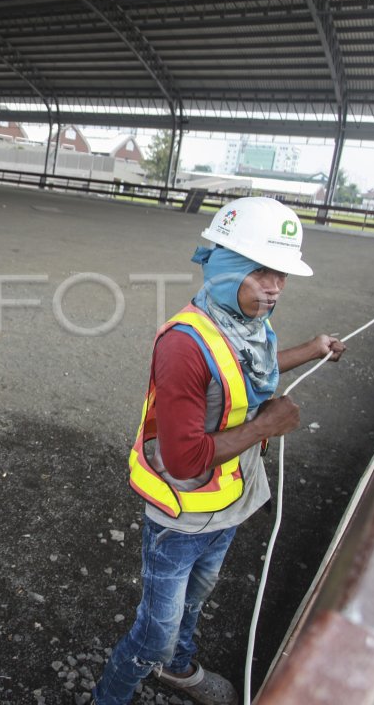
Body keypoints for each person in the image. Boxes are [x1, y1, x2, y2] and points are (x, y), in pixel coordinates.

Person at [93, 197, 347, 705]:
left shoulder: (249, 323)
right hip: (182, 517)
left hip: (229, 502)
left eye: (282, 275)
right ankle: (110, 695)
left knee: (196, 600)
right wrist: (266, 426)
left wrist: (312, 347)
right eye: (261, 273)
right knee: (151, 635)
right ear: (229, 266)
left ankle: (178, 669)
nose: (274, 287)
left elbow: (254, 372)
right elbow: (185, 458)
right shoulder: (186, 344)